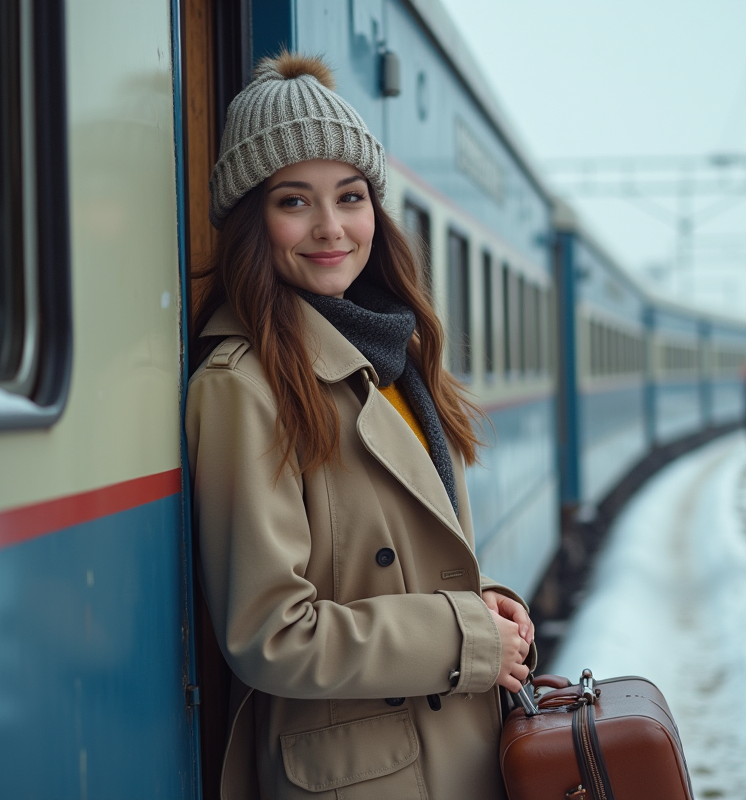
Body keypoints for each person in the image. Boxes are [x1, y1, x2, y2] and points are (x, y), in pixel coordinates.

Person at [186, 53, 534, 800]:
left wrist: (486, 605)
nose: (330, 228)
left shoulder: (391, 353)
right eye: (294, 201)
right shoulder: (241, 386)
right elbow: (269, 632)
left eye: (350, 196)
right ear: (253, 219)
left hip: (443, 746)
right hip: (366, 775)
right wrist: (466, 634)